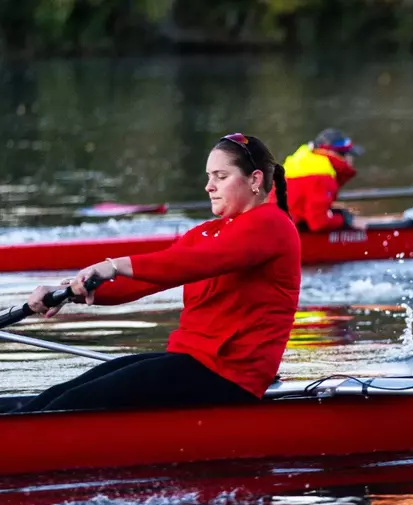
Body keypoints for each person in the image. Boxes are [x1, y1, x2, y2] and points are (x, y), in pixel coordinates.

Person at [14, 133, 301, 413]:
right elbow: (144, 280)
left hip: (231, 376)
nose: (209, 187)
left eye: (220, 177)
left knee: (76, 403)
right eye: (209, 176)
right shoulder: (208, 232)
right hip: (191, 363)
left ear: (255, 180)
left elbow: (195, 263)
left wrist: (114, 264)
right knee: (62, 394)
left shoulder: (271, 224)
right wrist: (67, 293)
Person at [282, 127, 366, 231]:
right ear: (339, 155)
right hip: (287, 236)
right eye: (349, 155)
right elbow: (318, 222)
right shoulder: (322, 177)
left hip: (278, 228)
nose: (351, 162)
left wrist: (337, 213)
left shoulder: (301, 165)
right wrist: (347, 221)